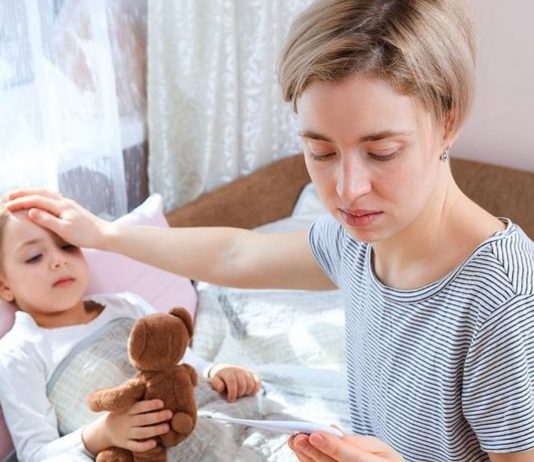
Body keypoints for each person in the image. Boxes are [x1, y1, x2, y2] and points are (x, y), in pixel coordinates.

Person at [5, 0, 534, 460]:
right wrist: (104, 235)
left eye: (381, 151)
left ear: (448, 119)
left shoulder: (501, 298)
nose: (347, 189)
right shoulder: (357, 242)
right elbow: (235, 255)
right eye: (320, 151)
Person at [0, 208, 261, 462]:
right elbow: (35, 454)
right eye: (34, 256)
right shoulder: (19, 352)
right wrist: (103, 434)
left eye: (67, 246)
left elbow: (183, 360)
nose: (59, 260)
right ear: (4, 285)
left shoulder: (126, 305)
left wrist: (215, 371)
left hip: (215, 418)